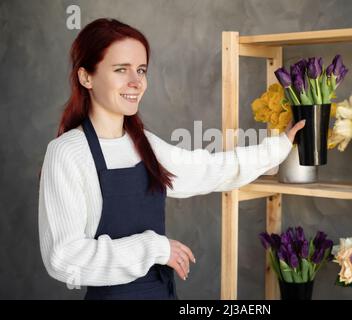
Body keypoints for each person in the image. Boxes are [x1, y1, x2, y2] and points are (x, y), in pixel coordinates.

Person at [38, 18, 305, 300]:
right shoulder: (67, 152)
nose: (135, 82)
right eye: (120, 70)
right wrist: (155, 248)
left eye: (141, 70)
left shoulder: (143, 144)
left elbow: (210, 170)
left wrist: (280, 146)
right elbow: (64, 258)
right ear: (86, 77)